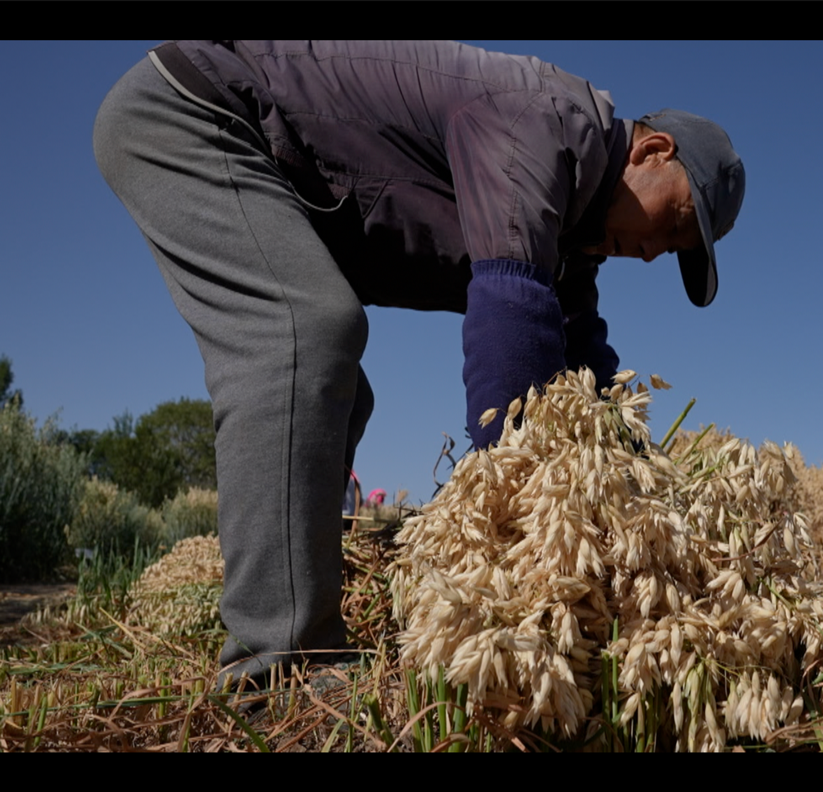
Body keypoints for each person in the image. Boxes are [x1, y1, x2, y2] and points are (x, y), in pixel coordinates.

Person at [93, 41, 745, 691]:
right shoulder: (545, 122)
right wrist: (524, 535)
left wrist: (650, 506)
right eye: (675, 225)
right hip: (198, 111)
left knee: (337, 391)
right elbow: (511, 329)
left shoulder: (572, 234)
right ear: (652, 152)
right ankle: (278, 669)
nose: (658, 253)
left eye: (676, 252)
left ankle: (308, 600)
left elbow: (582, 367)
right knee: (306, 337)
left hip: (251, 148)